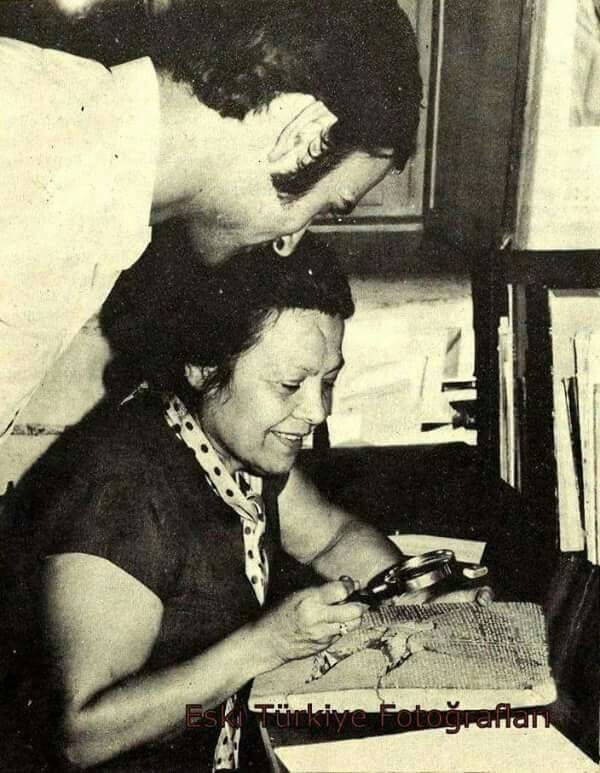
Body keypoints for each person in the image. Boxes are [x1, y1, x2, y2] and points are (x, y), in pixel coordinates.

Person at [4, 235, 490, 771]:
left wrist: (420, 601)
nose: (317, 411)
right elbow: (81, 735)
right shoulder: (121, 490)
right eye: (290, 385)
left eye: (328, 380)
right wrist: (268, 644)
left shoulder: (229, 447)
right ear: (201, 367)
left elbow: (331, 538)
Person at [0, 0, 422, 442]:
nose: (290, 241)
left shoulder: (92, 184)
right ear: (300, 136)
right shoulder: (33, 157)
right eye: (324, 207)